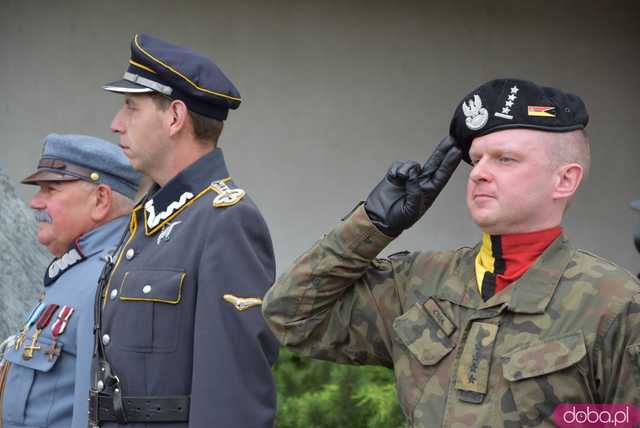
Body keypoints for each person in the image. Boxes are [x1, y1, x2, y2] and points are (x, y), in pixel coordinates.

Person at [262, 78, 640, 427]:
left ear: (565, 179)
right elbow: (290, 316)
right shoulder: (420, 281)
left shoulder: (614, 302)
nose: (478, 173)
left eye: (505, 159)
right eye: (476, 160)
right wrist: (373, 224)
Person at [90, 33, 278, 427]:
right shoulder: (149, 221)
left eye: (130, 107)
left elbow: (232, 400)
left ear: (175, 117)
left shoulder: (226, 221)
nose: (115, 124)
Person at [0, 134, 140, 428]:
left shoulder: (110, 277)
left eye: (51, 189)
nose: (35, 203)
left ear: (101, 200)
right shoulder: (76, 269)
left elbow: (96, 412)